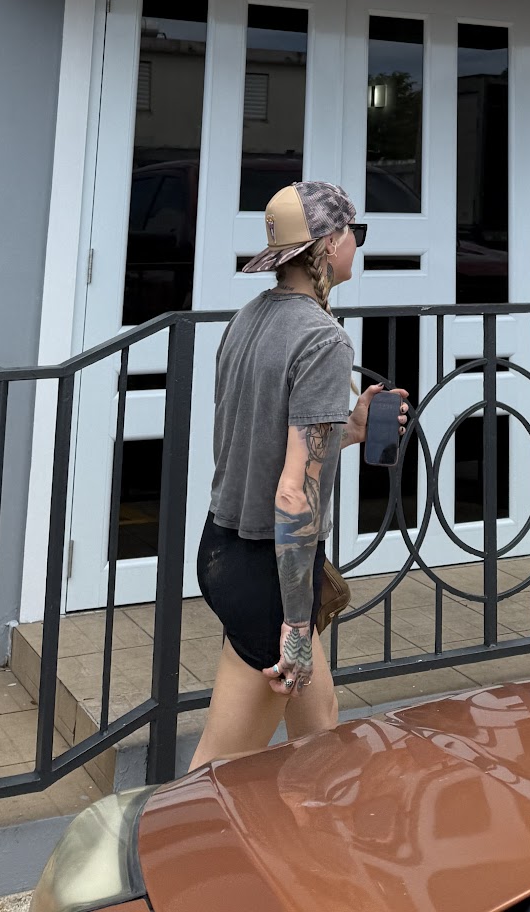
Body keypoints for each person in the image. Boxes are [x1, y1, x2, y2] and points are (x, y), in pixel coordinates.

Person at [189, 179, 409, 769]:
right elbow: (293, 492)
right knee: (217, 770)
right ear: (330, 243)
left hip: (226, 546)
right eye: (355, 233)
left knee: (319, 734)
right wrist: (292, 621)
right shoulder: (322, 338)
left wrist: (351, 428)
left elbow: (263, 438)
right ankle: (167, 832)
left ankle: (313, 826)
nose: (357, 244)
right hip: (270, 571)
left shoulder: (248, 319)